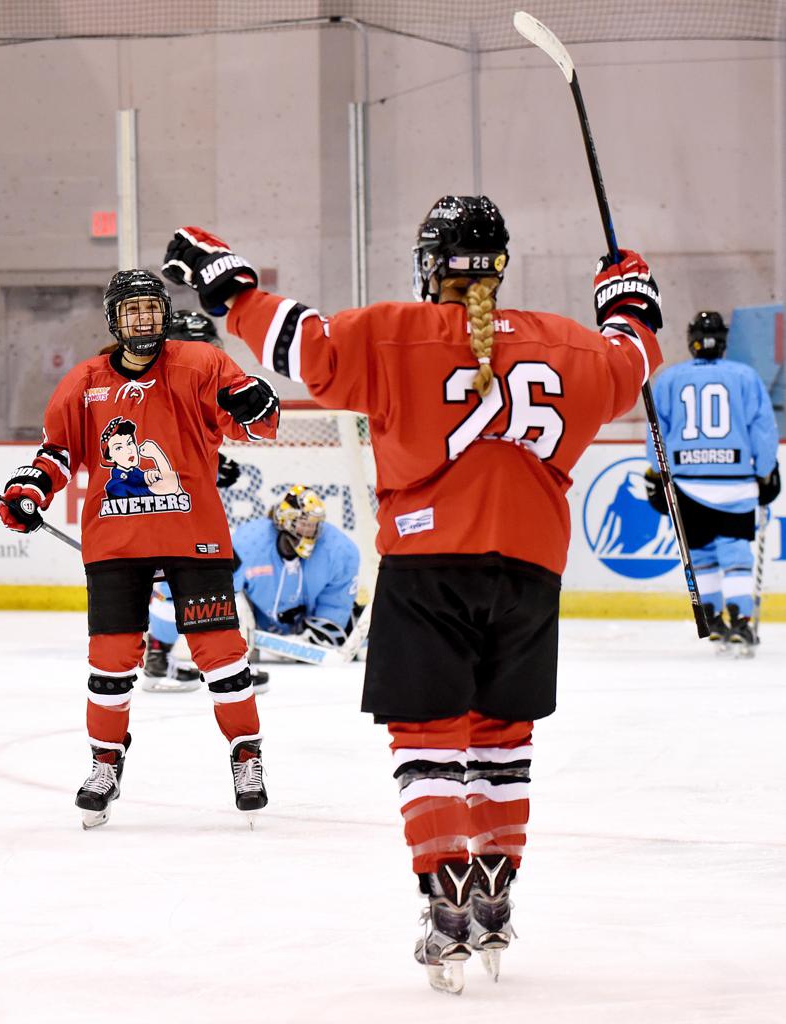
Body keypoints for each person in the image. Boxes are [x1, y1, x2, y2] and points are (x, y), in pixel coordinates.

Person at [161, 199, 663, 992]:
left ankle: (446, 889)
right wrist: (628, 300)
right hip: (531, 567)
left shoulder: (399, 331)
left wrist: (227, 283)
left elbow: (300, 345)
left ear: (431, 264)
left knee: (426, 735)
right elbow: (632, 359)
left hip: (430, 559)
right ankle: (496, 887)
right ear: (501, 263)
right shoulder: (570, 345)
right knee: (501, 735)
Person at [0, 268, 280, 828]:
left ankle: (246, 754)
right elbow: (58, 452)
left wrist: (258, 406)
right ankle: (105, 763)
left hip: (192, 537)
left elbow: (256, 425)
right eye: (132, 311)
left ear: (164, 314)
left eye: (152, 309)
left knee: (222, 654)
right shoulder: (84, 381)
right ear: (114, 320)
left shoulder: (200, 364)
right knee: (109, 664)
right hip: (117, 543)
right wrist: (30, 490)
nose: (143, 320)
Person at [644, 311, 780, 653]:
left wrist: (658, 474)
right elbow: (762, 431)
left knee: (701, 554)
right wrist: (765, 471)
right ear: (724, 341)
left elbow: (656, 434)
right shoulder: (745, 377)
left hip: (687, 485)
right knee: (735, 555)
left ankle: (713, 620)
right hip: (735, 484)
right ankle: (740, 621)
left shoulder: (669, 379)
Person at [140, 308, 244, 692]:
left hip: (181, 503)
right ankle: (157, 653)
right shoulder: (161, 386)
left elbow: (189, 447)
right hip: (160, 506)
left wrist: (219, 466)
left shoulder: (190, 386)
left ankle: (178, 653)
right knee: (176, 579)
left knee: (217, 571)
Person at [233, 484, 362, 667]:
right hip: (257, 625)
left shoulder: (340, 551)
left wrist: (321, 630)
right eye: (305, 524)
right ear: (286, 520)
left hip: (310, 627)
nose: (311, 530)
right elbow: (226, 586)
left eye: (314, 525)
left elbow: (335, 603)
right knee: (235, 604)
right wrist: (238, 617)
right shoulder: (248, 542)